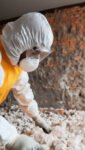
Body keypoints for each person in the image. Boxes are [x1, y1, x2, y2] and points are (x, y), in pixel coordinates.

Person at [0, 12, 53, 150]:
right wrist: (12, 138)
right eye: (34, 52)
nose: (36, 58)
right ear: (20, 40)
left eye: (39, 55)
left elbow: (23, 91)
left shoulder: (15, 63)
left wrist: (36, 117)